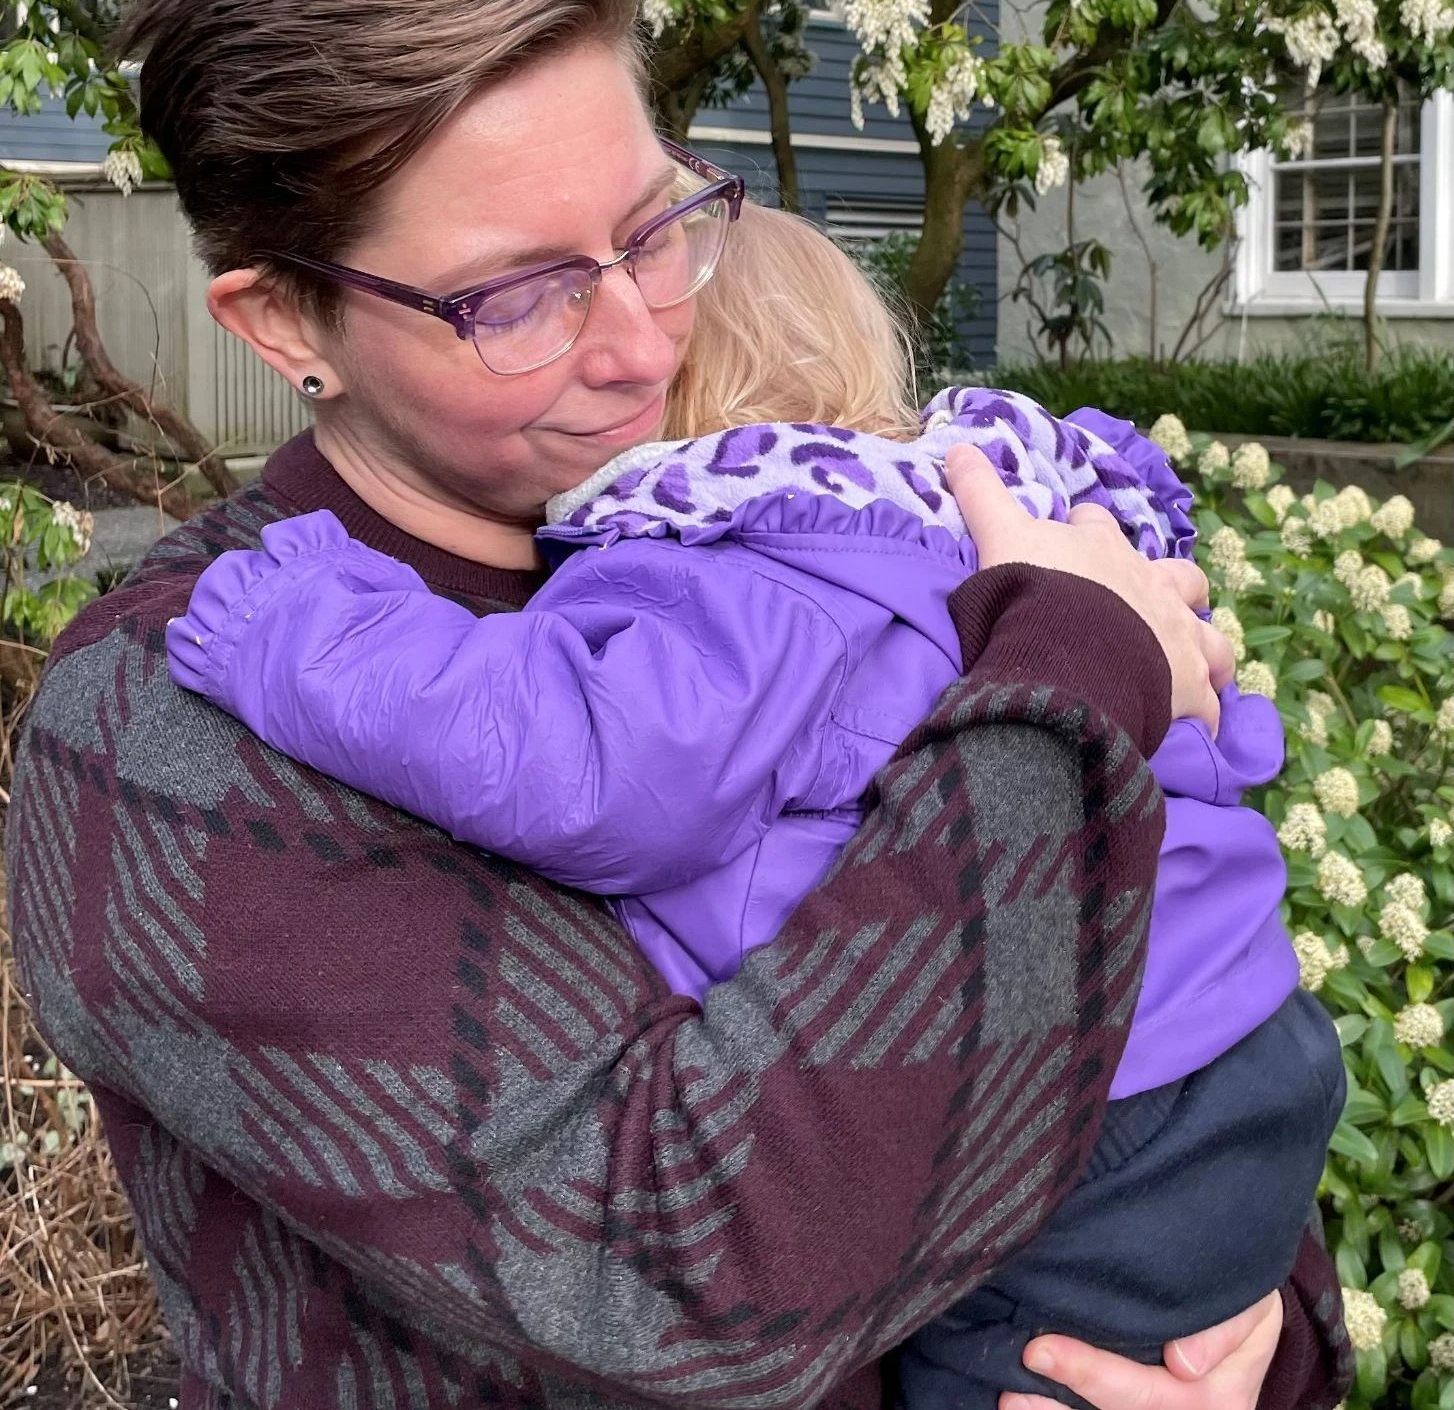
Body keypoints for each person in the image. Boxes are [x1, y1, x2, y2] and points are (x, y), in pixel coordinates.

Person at [3, 0, 1350, 1410]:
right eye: (514, 295)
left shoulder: (792, 525)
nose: (642, 345)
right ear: (282, 324)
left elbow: (1157, 1013)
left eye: (653, 232)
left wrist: (1238, 1340)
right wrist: (1064, 675)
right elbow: (689, 1275)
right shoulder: (170, 725)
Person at [166, 200, 1346, 1410]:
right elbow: (1220, 739)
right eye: (516, 296)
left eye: (648, 265)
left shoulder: (736, 563)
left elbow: (574, 759)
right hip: (1245, 1035)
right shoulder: (1004, 526)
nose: (612, 341)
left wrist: (292, 621)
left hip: (1073, 1110)